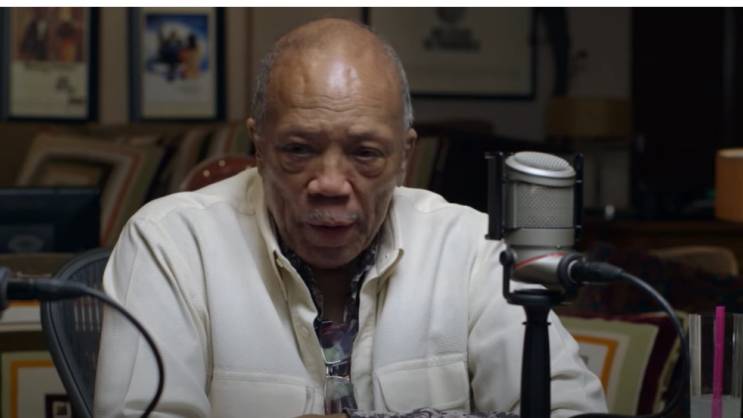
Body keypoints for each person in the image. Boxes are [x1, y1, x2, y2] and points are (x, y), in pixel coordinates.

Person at [94, 18, 607, 418]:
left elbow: (567, 407)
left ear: (404, 157)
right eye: (299, 149)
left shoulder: (471, 250)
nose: (331, 183)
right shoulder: (171, 244)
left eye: (365, 154)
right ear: (259, 146)